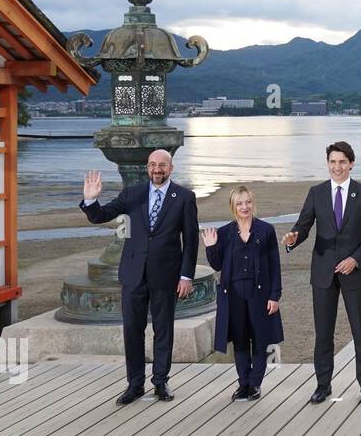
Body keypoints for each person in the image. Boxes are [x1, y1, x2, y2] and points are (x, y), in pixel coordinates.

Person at [79, 149, 198, 405]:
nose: (157, 169)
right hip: (133, 274)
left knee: (163, 330)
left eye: (162, 165)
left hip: (166, 275)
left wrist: (186, 275)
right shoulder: (132, 194)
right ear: (147, 167)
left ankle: (160, 382)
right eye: (153, 165)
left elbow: (191, 241)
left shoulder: (185, 198)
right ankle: (134, 384)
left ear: (171, 168)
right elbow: (102, 215)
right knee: (132, 330)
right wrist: (90, 201)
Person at [284, 141, 361, 406]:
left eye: (342, 162)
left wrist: (356, 259)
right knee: (323, 333)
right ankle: (322, 385)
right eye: (332, 162)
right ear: (327, 163)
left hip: (355, 272)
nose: (337, 167)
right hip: (323, 272)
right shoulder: (316, 193)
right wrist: (293, 238)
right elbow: (303, 226)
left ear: (351, 163)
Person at [202, 186, 284, 401]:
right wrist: (211, 247)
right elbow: (217, 265)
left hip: (259, 295)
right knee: (239, 341)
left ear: (252, 202)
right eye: (239, 203)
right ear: (233, 206)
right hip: (234, 295)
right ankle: (243, 384)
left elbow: (275, 266)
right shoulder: (224, 233)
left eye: (247, 202)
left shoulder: (266, 230)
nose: (244, 207)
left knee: (259, 340)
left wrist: (275, 296)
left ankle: (255, 384)